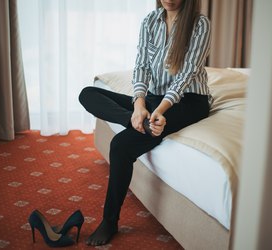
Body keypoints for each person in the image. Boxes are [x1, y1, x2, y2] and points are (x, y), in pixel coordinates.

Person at [79, 0, 212, 246]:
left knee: (120, 145)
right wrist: (139, 107)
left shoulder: (199, 23)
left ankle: (109, 221)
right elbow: (141, 66)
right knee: (88, 93)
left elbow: (186, 75)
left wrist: (160, 111)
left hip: (189, 100)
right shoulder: (150, 21)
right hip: (152, 98)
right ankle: (134, 122)